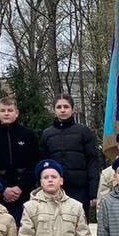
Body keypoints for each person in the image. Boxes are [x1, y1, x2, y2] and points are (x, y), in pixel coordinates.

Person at [37, 93, 101, 223]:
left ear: (73, 109)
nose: (62, 110)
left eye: (66, 106)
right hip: (54, 190)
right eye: (59, 107)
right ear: (54, 110)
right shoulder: (47, 134)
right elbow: (42, 163)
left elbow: (93, 161)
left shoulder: (84, 131)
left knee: (79, 227)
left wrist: (93, 192)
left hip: (80, 189)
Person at [0, 95, 38, 226]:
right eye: (3, 110)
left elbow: (34, 165)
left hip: (24, 194)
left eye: (10, 110)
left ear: (16, 113)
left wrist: (21, 187)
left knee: (23, 231)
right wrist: (3, 188)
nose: (6, 113)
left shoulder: (28, 135)